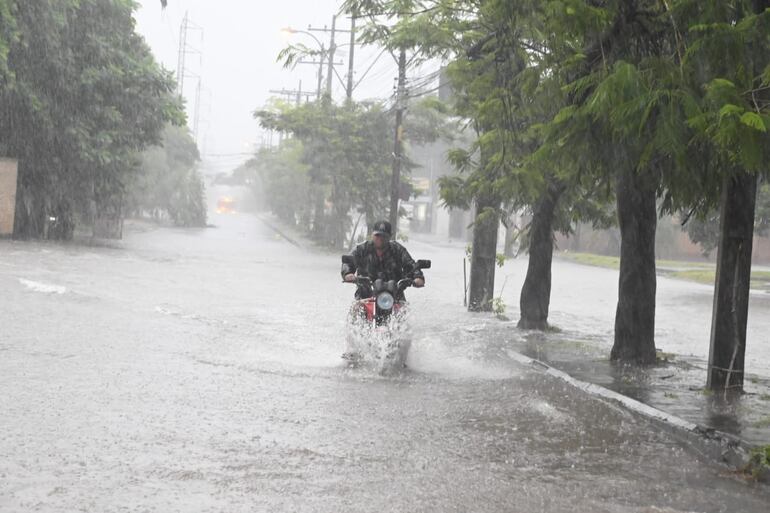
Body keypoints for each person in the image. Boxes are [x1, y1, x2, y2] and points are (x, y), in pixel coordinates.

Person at [341, 220, 425, 298]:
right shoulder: (361, 249)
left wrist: (417, 277)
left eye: (384, 236)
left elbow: (410, 264)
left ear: (390, 236)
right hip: (366, 294)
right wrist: (348, 273)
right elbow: (349, 261)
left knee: (403, 309)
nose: (380, 239)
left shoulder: (398, 250)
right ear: (372, 234)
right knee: (356, 309)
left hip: (394, 295)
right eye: (377, 235)